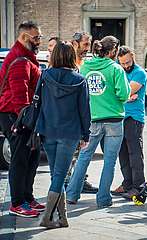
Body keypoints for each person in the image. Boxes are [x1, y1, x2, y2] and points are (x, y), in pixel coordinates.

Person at [66, 36, 131, 208]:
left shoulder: (85, 66)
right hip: (114, 120)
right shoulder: (116, 69)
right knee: (109, 161)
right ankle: (103, 199)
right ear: (113, 51)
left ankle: (72, 194)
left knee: (83, 158)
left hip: (92, 120)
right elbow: (124, 95)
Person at [35, 42, 91, 228]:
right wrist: (86, 134)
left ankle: (63, 217)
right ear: (70, 57)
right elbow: (84, 111)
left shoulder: (45, 76)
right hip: (70, 133)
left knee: (56, 175)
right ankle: (47, 217)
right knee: (59, 175)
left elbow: (38, 103)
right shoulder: (80, 80)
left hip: (48, 131)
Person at [0, 20, 45, 218]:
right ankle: (17, 203)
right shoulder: (20, 60)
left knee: (31, 158)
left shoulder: (27, 57)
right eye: (36, 38)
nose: (39, 42)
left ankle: (27, 197)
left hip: (22, 116)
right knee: (20, 160)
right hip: (15, 116)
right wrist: (26, 122)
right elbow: (20, 97)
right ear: (25, 37)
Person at [112, 46, 147, 199]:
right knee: (122, 153)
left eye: (128, 62)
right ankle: (127, 183)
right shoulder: (119, 71)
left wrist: (123, 96)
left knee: (135, 153)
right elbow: (113, 92)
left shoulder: (139, 73)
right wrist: (124, 96)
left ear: (133, 57)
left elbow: (125, 92)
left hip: (134, 118)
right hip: (120, 116)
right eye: (123, 63)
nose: (126, 66)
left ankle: (139, 186)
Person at [70, 31, 98, 193]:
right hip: (72, 117)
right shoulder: (70, 63)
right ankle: (69, 183)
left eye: (89, 44)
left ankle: (81, 180)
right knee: (72, 153)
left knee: (82, 151)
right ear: (75, 43)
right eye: (85, 44)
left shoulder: (85, 63)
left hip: (84, 116)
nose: (88, 48)